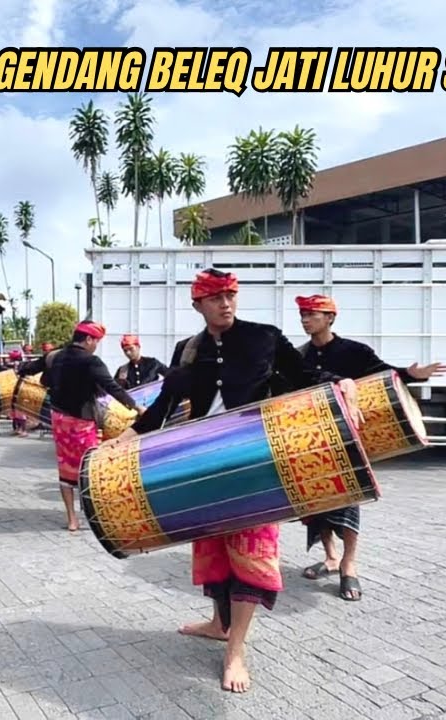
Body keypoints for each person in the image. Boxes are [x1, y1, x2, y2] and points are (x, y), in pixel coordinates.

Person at [116, 269, 362, 694]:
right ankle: (217, 622)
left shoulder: (264, 337)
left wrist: (343, 383)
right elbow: (166, 403)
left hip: (254, 464)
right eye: (215, 298)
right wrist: (127, 437)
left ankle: (236, 650)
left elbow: (304, 378)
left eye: (230, 295)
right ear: (198, 306)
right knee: (211, 548)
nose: (225, 303)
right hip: (199, 462)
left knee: (252, 552)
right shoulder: (187, 350)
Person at [293, 294, 446, 602]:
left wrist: (410, 374)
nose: (306, 319)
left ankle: (349, 563)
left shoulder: (355, 351)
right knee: (317, 503)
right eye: (303, 315)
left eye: (313, 314)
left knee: (350, 498)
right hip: (314, 441)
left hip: (349, 438)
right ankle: (331, 557)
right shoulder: (299, 356)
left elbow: (383, 375)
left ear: (330, 318)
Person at [20, 321, 139, 531]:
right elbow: (111, 387)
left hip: (59, 421)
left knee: (65, 468)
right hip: (83, 423)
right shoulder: (92, 361)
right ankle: (95, 516)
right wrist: (136, 406)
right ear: (89, 339)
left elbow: (28, 369)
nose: (96, 347)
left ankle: (71, 519)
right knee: (90, 468)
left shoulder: (54, 356)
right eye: (96, 342)